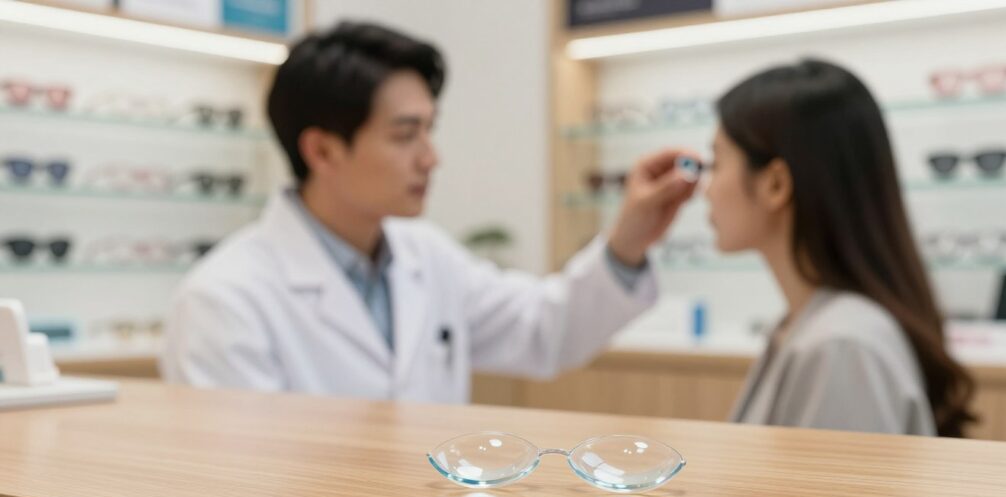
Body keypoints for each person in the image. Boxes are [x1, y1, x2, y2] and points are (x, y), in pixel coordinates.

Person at [160, 22, 698, 403]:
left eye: (429, 129)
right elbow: (240, 495)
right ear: (322, 151)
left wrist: (627, 241)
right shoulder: (224, 300)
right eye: (404, 134)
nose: (431, 157)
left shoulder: (427, 257)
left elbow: (542, 330)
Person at [702, 58, 975, 436]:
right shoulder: (816, 328)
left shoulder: (841, 346)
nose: (705, 188)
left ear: (776, 185)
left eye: (716, 163)